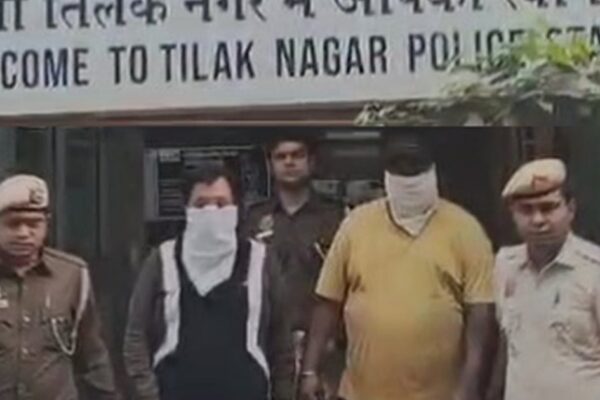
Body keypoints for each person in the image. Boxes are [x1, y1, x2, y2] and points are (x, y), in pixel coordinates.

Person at [300, 133, 497, 400]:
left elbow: (481, 313)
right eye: (400, 168)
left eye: (416, 167)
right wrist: (310, 370)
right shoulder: (356, 224)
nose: (409, 176)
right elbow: (328, 301)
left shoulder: (466, 229)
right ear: (386, 175)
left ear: (432, 171)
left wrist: (470, 384)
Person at [124, 161, 293, 400]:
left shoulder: (261, 260)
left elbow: (282, 345)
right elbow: (135, 337)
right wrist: (147, 394)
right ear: (186, 209)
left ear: (236, 208)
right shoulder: (162, 259)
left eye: (221, 204)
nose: (211, 212)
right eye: (201, 204)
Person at [242, 135, 346, 399]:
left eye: (297, 155)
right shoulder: (253, 219)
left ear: (312, 162)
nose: (289, 162)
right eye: (281, 156)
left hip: (327, 348)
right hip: (267, 346)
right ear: (270, 165)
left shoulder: (336, 217)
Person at [0, 173, 120, 400]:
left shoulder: (72, 275)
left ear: (47, 223)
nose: (24, 233)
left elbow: (92, 356)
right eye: (13, 224)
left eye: (34, 224)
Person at [492, 158, 600, 400]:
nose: (538, 220)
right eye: (526, 210)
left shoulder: (593, 270)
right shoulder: (505, 266)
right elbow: (509, 346)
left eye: (548, 208)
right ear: (513, 214)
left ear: (570, 209)